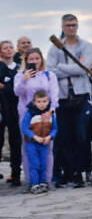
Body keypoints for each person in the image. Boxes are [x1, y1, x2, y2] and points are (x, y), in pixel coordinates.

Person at [47, 14, 92, 188]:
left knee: (81, 135)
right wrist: (74, 68)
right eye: (68, 25)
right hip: (63, 96)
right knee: (64, 136)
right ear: (62, 27)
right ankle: (68, 172)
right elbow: (51, 71)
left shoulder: (86, 46)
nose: (71, 28)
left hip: (81, 95)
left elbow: (85, 69)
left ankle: (80, 172)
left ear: (78, 26)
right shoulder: (55, 49)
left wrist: (62, 67)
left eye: (73, 25)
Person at [14, 48, 59, 188]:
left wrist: (51, 111)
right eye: (31, 59)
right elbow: (17, 92)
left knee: (48, 147)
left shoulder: (49, 75)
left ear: (41, 59)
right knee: (28, 148)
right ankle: (31, 180)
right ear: (26, 61)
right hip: (27, 114)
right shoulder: (20, 75)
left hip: (46, 114)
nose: (34, 62)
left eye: (37, 58)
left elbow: (54, 94)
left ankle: (47, 179)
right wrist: (24, 80)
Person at [21, 90, 57, 193]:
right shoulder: (30, 113)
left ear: (48, 101)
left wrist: (50, 137)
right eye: (39, 101)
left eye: (44, 101)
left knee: (44, 163)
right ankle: (34, 184)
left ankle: (43, 183)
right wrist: (34, 137)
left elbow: (55, 128)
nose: (42, 104)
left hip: (45, 143)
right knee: (34, 164)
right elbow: (24, 128)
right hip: (32, 143)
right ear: (34, 102)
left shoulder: (50, 114)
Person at [0, 40, 22, 185]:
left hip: (15, 109)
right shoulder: (1, 66)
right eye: (5, 48)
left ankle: (15, 174)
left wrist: (5, 86)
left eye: (11, 47)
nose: (8, 50)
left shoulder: (19, 68)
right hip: (2, 108)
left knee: (15, 142)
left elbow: (14, 88)